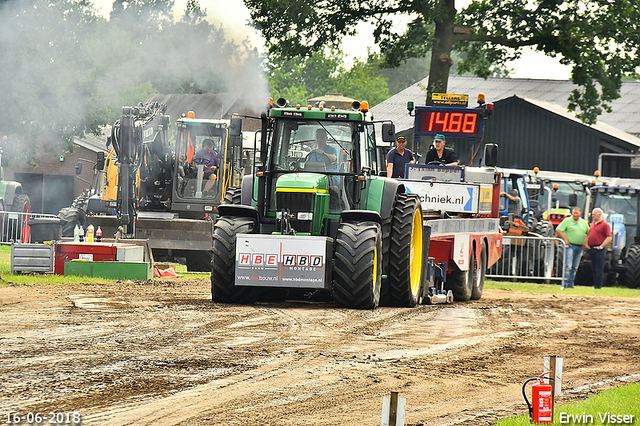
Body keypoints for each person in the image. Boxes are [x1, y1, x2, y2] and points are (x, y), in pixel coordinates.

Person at [555, 207, 589, 288]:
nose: (575, 215)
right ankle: (565, 284)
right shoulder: (567, 221)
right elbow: (558, 230)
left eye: (577, 213)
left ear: (580, 214)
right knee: (568, 266)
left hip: (580, 247)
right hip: (570, 246)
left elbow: (588, 232)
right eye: (574, 213)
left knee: (575, 267)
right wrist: (565, 239)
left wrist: (585, 242)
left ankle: (571, 284)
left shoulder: (584, 223)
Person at [586, 207, 612, 289]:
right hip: (591, 248)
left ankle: (598, 286)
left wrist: (601, 246)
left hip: (599, 249)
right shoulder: (592, 224)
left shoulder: (605, 225)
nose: (592, 216)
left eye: (594, 214)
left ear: (599, 214)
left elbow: (609, 237)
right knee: (593, 267)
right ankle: (594, 284)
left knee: (599, 268)